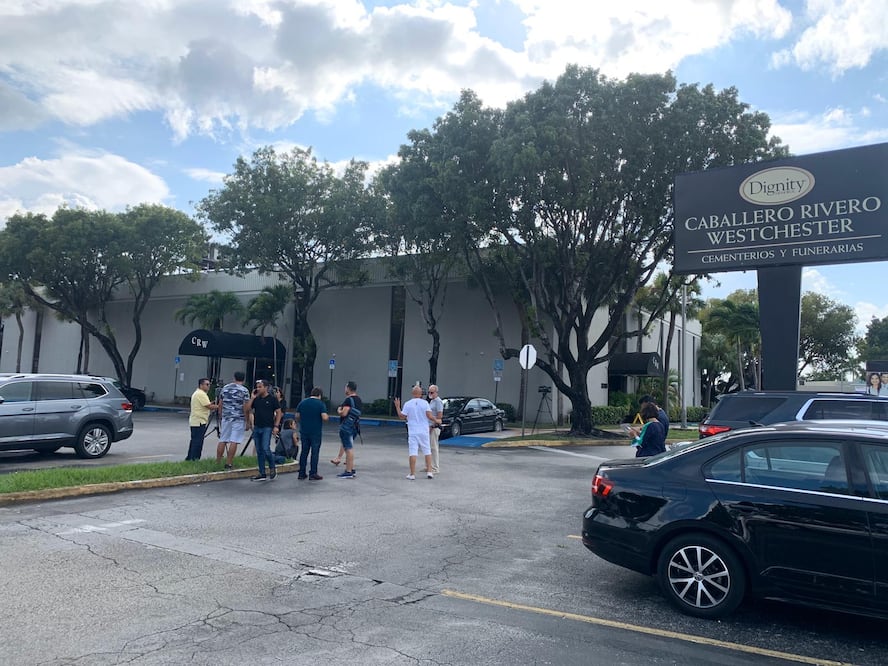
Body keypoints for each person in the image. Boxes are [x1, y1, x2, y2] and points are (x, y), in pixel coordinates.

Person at [394, 385, 435, 479]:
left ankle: (412, 474)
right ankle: (429, 471)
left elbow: (401, 416)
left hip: (413, 431)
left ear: (412, 393)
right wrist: (436, 420)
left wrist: (397, 406)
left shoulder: (408, 404)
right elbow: (429, 415)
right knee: (427, 451)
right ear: (421, 394)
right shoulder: (425, 403)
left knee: (413, 452)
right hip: (424, 430)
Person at [246, 379, 282, 481]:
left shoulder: (272, 399)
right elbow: (247, 409)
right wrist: (252, 398)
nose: (258, 388)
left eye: (260, 387)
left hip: (267, 426)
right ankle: (262, 472)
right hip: (257, 426)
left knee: (266, 448)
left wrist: (276, 426)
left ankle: (272, 466)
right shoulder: (256, 399)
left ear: (266, 387)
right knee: (259, 450)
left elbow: (278, 412)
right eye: (257, 387)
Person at [216, 371, 250, 469]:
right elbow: (246, 407)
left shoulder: (225, 388)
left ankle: (218, 461)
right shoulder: (244, 391)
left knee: (223, 439)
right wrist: (247, 421)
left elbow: (220, 403)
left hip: (226, 417)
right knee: (234, 440)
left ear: (234, 377)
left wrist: (220, 415)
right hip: (238, 418)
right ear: (243, 379)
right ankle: (229, 463)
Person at [295, 387, 329, 480]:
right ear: (320, 395)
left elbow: (297, 416)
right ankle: (313, 473)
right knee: (315, 452)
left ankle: (301, 473)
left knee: (304, 452)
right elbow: (324, 417)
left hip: (304, 430)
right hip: (315, 432)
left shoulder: (302, 402)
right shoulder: (320, 404)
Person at [335, 381, 362, 479]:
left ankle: (348, 471)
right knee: (349, 447)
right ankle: (351, 468)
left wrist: (339, 410)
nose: (344, 389)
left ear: (349, 389)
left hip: (347, 426)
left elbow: (344, 413)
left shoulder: (348, 400)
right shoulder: (358, 399)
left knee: (348, 448)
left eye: (345, 387)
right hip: (355, 426)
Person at [186, 378, 218, 461]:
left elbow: (206, 404)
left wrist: (213, 403)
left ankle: (190, 458)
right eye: (207, 384)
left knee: (194, 441)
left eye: (209, 384)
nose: (209, 386)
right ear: (201, 385)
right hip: (199, 421)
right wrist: (219, 406)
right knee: (198, 442)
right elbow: (208, 406)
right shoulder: (201, 394)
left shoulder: (199, 393)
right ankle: (194, 458)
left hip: (197, 421)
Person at [426, 384, 444, 474]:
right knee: (428, 447)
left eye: (432, 392)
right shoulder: (432, 401)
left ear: (436, 392)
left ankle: (435, 467)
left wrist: (433, 426)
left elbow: (439, 416)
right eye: (429, 392)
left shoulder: (438, 402)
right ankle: (429, 466)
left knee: (434, 447)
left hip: (434, 427)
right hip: (429, 426)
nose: (430, 394)